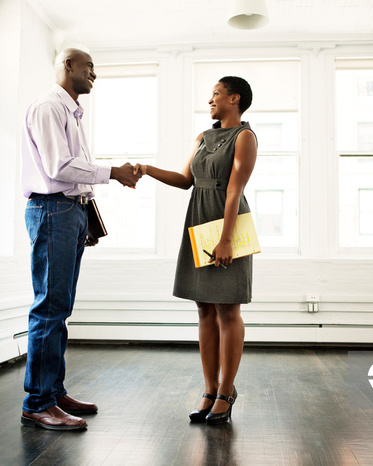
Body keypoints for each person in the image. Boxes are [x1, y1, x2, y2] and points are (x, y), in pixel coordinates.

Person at [20, 48, 140, 431]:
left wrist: (85, 215)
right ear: (68, 65)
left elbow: (72, 174)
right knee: (49, 309)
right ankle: (37, 403)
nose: (94, 74)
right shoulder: (48, 107)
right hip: (53, 210)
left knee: (61, 309)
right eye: (89, 66)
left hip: (68, 212)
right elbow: (59, 168)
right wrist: (114, 172)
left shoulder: (69, 111)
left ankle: (53, 392)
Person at [134, 76, 257, 424]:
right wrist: (148, 169)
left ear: (234, 98)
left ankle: (226, 391)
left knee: (228, 310)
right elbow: (186, 179)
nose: (210, 101)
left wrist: (226, 239)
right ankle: (209, 388)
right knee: (204, 308)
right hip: (198, 219)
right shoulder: (203, 137)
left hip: (226, 223)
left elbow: (234, 191)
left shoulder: (244, 137)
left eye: (216, 94)